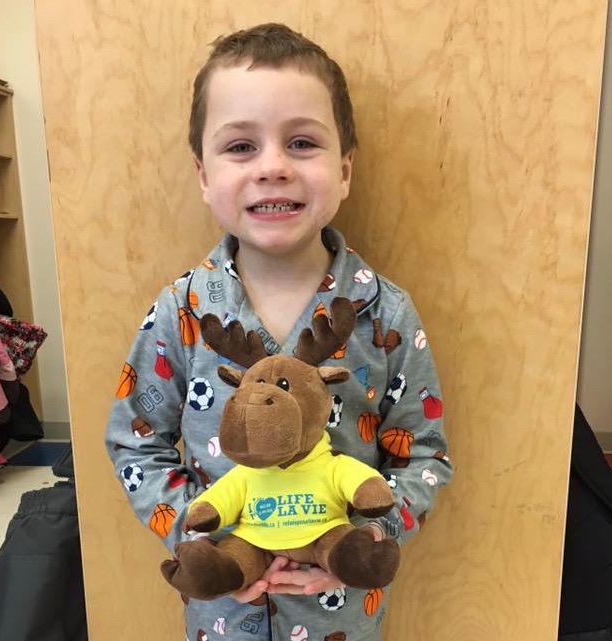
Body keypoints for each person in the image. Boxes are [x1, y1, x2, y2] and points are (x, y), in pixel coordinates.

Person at [105, 22, 453, 641]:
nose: (272, 168)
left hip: (342, 613)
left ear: (344, 171)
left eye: (301, 143)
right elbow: (137, 442)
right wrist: (209, 542)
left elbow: (423, 452)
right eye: (240, 147)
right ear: (203, 173)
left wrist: (365, 544)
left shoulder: (388, 314)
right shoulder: (180, 310)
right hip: (221, 613)